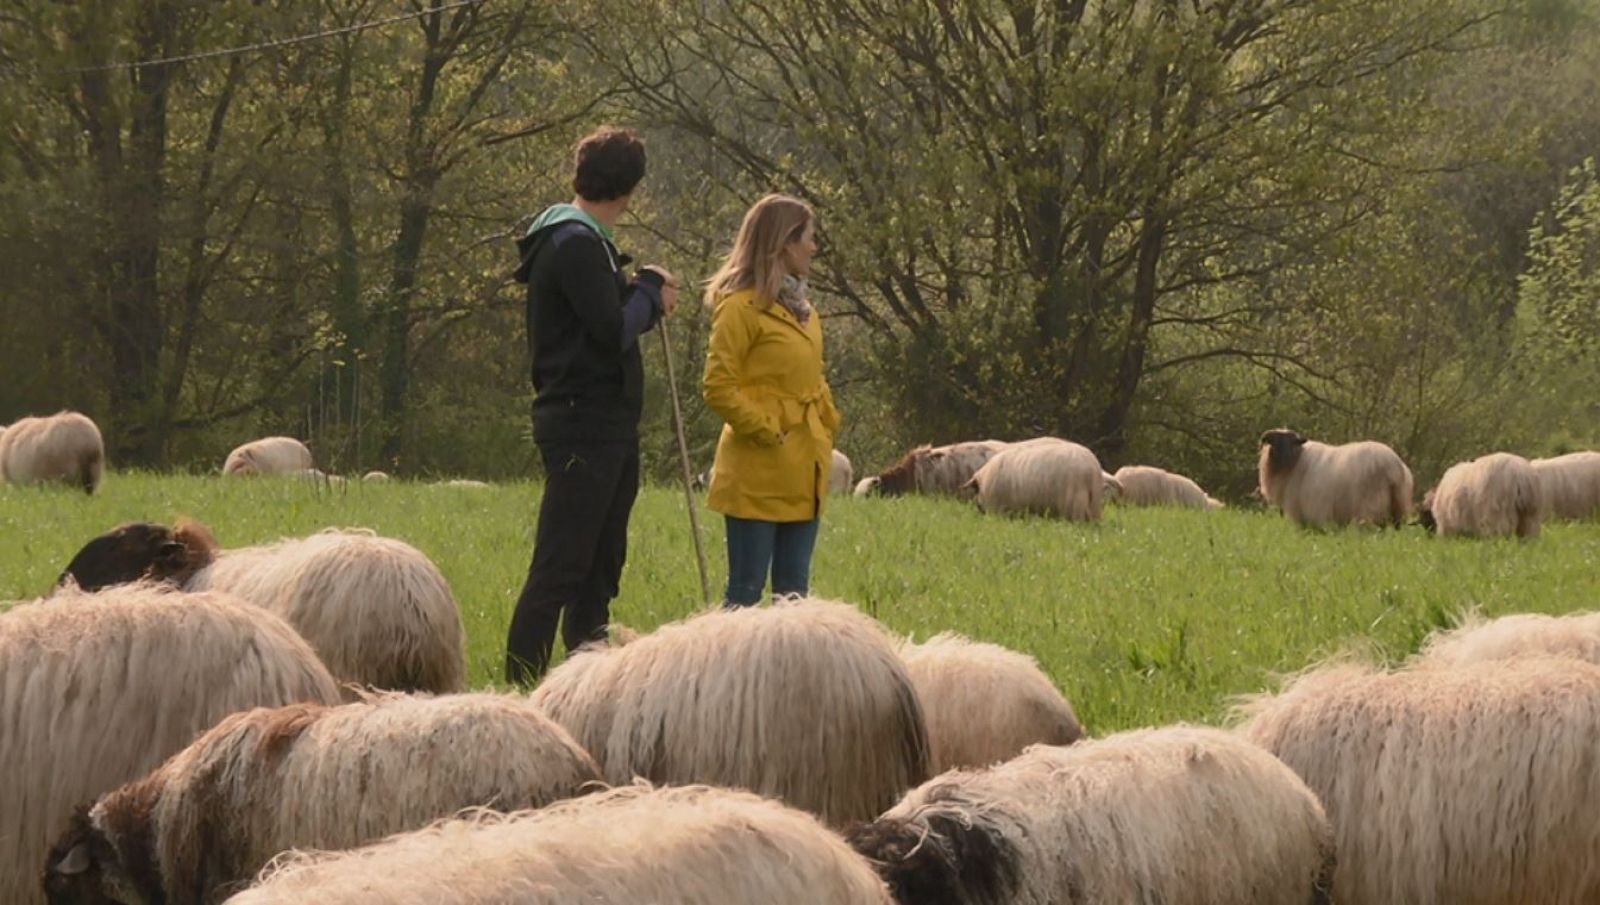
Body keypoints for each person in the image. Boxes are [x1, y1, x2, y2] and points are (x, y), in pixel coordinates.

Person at [505, 126, 679, 684]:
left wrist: (640, 292)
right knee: (562, 566)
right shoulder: (573, 243)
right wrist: (649, 295)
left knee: (600, 567)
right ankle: (522, 686)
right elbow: (610, 331)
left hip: (607, 424)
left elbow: (606, 318)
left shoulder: (584, 241)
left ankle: (589, 684)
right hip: (583, 423)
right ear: (630, 188)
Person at [701, 194, 841, 607]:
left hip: (806, 469)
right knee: (744, 595)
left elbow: (813, 375)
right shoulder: (739, 309)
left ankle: (787, 675)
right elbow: (718, 386)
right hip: (757, 472)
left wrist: (828, 419)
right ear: (784, 243)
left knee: (795, 599)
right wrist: (766, 429)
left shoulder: (806, 312)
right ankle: (727, 673)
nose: (814, 248)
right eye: (809, 239)